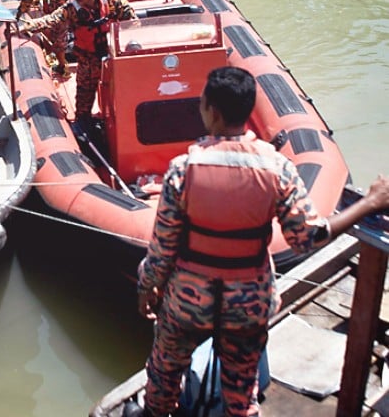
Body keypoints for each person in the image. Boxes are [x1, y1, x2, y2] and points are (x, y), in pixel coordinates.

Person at [134, 66, 389, 417]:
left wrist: (146, 287)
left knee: (163, 375)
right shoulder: (277, 168)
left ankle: (154, 412)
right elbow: (308, 237)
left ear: (213, 111)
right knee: (241, 393)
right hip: (248, 305)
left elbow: (161, 251)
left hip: (186, 304)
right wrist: (370, 203)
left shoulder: (183, 169)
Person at [18, 0, 135, 123]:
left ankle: (121, 118)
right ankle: (84, 123)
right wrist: (29, 25)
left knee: (120, 89)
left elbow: (132, 21)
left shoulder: (113, 0)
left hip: (112, 54)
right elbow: (53, 19)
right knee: (84, 94)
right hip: (87, 57)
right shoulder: (72, 8)